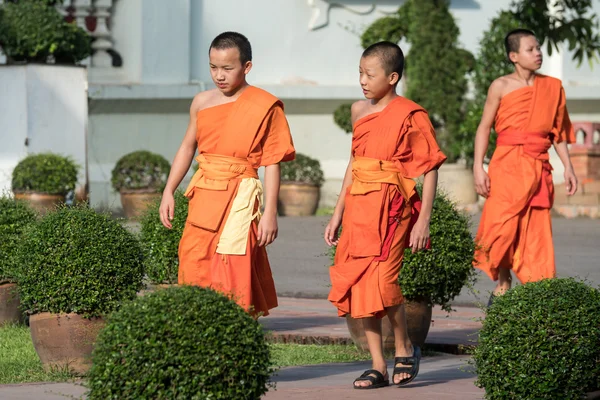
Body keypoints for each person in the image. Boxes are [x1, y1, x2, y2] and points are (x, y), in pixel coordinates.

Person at [325, 41, 446, 389]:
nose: (362, 80)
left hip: (393, 207)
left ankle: (405, 346)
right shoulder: (358, 111)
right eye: (360, 73)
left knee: (383, 281)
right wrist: (337, 213)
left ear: (392, 77)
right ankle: (377, 364)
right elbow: (355, 162)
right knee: (360, 284)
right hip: (360, 205)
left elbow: (431, 166)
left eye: (370, 74)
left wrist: (423, 220)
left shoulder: (411, 114)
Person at [159, 31, 295, 317]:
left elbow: (272, 162)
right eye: (213, 67)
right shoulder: (201, 102)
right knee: (193, 258)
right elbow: (187, 147)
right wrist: (168, 190)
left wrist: (270, 212)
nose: (219, 75)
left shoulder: (264, 106)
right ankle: (199, 329)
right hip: (205, 194)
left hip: (240, 198)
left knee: (233, 264)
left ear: (246, 67)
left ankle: (234, 332)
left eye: (227, 68)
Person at [472, 29, 577, 304]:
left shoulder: (553, 87)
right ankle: (504, 284)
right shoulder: (501, 86)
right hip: (506, 165)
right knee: (503, 227)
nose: (538, 53)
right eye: (531, 49)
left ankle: (536, 292)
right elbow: (484, 128)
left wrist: (568, 167)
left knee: (535, 231)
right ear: (514, 56)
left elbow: (559, 134)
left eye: (539, 48)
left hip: (538, 166)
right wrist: (477, 168)